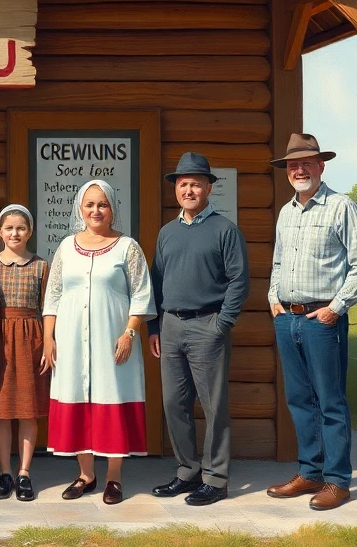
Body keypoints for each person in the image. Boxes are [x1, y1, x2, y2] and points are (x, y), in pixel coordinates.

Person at [266, 133, 357, 511]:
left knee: (330, 402)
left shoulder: (341, 207)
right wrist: (273, 299)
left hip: (322, 320)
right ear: (287, 171)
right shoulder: (286, 212)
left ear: (321, 166)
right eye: (293, 165)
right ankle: (310, 472)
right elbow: (278, 261)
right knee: (299, 400)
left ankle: (337, 481)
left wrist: (336, 308)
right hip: (288, 319)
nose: (299, 169)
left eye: (307, 163)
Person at [43, 179, 155, 505]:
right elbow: (54, 294)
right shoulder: (66, 246)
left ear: (112, 209)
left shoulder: (127, 247)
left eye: (102, 204)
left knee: (112, 395)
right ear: (81, 208)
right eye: (90, 204)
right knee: (76, 395)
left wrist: (129, 332)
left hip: (113, 339)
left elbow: (142, 294)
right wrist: (49, 338)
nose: (96, 210)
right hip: (71, 339)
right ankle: (86, 475)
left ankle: (114, 479)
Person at [147, 153, 249, 506]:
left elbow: (239, 280)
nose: (188, 190)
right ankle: (187, 472)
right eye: (182, 184)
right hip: (171, 326)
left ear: (208, 188)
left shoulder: (224, 230)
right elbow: (157, 281)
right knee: (175, 404)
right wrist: (154, 327)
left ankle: (216, 479)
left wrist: (223, 323)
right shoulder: (167, 232)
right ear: (176, 189)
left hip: (209, 325)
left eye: (195, 184)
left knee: (213, 405)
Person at [0, 204, 50, 502]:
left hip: (30, 338)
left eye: (21, 228)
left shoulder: (40, 265)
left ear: (30, 232)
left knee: (27, 408)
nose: (15, 233)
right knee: (1, 411)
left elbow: (48, 308)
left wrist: (48, 343)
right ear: (0, 231)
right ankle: (4, 472)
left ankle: (24, 472)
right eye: (9, 228)